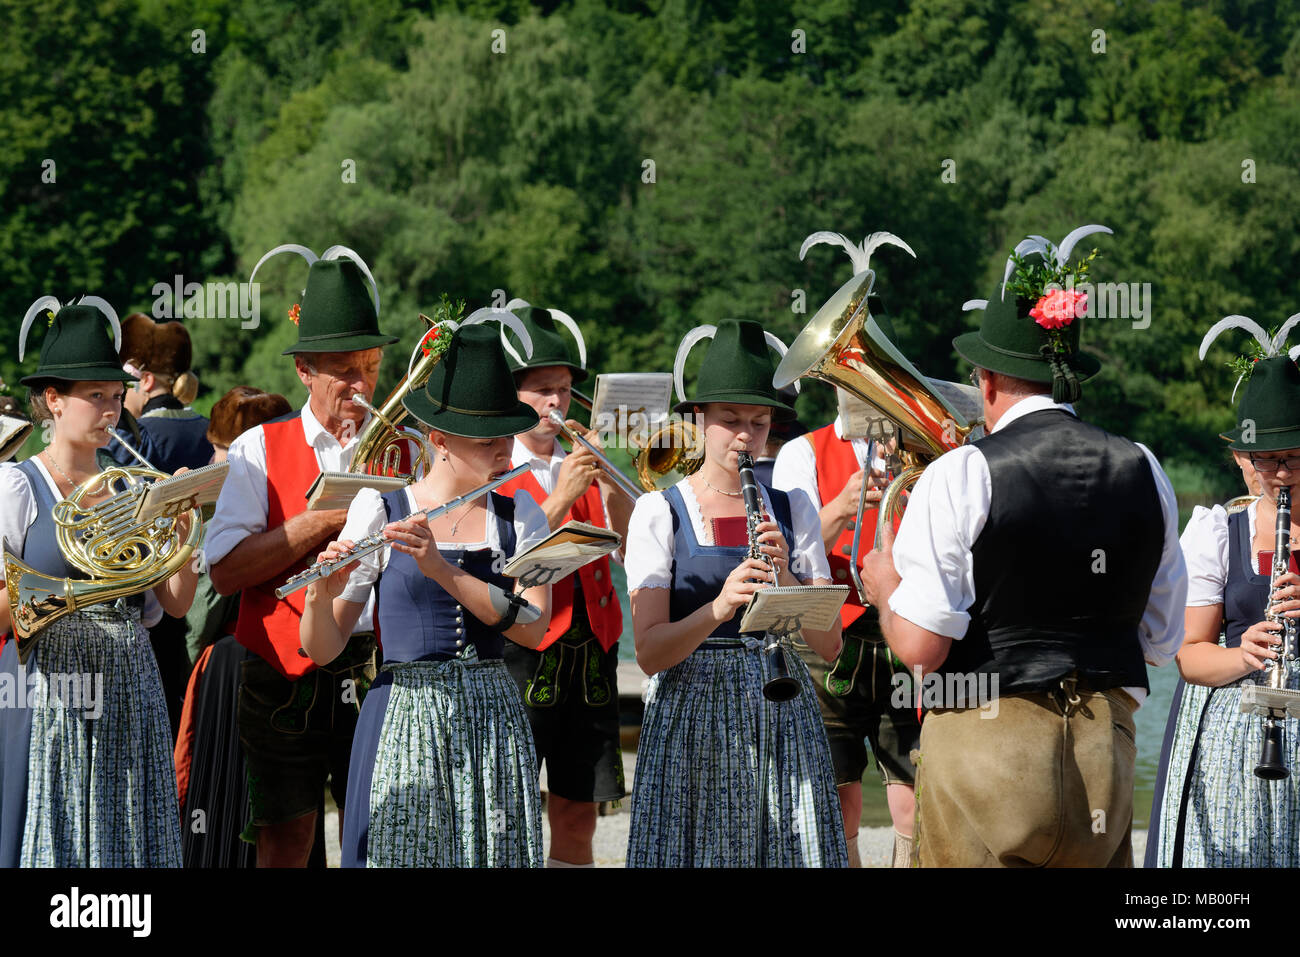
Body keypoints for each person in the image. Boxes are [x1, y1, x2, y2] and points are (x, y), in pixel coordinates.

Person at [860, 252, 1187, 867]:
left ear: (985, 379)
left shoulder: (962, 471)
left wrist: (884, 591)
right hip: (1102, 757)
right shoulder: (1146, 466)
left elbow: (923, 648)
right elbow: (1162, 638)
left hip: (986, 746)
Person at [302, 324, 552, 867]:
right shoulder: (380, 508)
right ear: (438, 439)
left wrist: (439, 569)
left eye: (506, 436)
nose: (503, 450)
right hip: (405, 716)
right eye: (486, 441)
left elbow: (533, 628)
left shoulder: (522, 515)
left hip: (492, 717)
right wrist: (320, 595)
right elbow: (323, 649)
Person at [625, 318, 848, 867]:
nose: (746, 436)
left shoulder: (793, 506)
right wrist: (718, 608)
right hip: (692, 713)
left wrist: (789, 578)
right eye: (730, 421)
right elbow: (650, 654)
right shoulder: (660, 511)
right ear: (700, 420)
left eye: (760, 420)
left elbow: (831, 645)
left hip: (780, 712)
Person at [204, 246, 399, 867]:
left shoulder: (405, 448)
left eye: (369, 367)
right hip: (278, 673)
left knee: (376, 837)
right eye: (342, 370)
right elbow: (226, 569)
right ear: (305, 372)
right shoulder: (258, 447)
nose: (360, 384)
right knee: (285, 842)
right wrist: (325, 520)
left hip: (377, 665)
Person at [0, 298, 199, 866]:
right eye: (96, 397)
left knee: (129, 840)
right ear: (54, 401)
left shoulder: (133, 488)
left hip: (132, 683)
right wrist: (44, 588)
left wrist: (184, 530)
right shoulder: (15, 486)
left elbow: (176, 605)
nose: (111, 411)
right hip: (53, 691)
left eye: (116, 397)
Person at [1149, 350, 1300, 867]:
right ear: (1247, 460)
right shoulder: (1219, 531)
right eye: (1268, 459)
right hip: (1235, 739)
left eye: (1294, 457)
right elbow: (1189, 657)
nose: (1280, 473)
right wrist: (1243, 655)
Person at [495, 305, 632, 867]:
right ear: (514, 396)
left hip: (592, 652)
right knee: (511, 804)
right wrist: (561, 497)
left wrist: (611, 479)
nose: (557, 404)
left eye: (566, 391)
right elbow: (500, 562)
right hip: (523, 651)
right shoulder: (493, 464)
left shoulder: (585, 461)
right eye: (543, 391)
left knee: (579, 810)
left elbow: (628, 542)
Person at [773, 389, 920, 868]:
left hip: (906, 634)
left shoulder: (920, 447)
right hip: (831, 638)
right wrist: (840, 506)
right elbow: (789, 557)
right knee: (837, 796)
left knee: (914, 797)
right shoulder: (803, 451)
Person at [173, 386, 292, 869]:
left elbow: (196, 622)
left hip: (229, 669)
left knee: (227, 807)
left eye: (221, 451)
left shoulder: (233, 511)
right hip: (275, 666)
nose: (213, 461)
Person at [109, 313, 214, 737]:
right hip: (198, 592)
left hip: (150, 598)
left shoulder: (131, 442)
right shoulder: (210, 429)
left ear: (146, 380)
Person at [108, 312, 212, 474]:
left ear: (146, 381)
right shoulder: (210, 429)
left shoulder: (133, 438)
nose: (120, 391)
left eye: (124, 381)